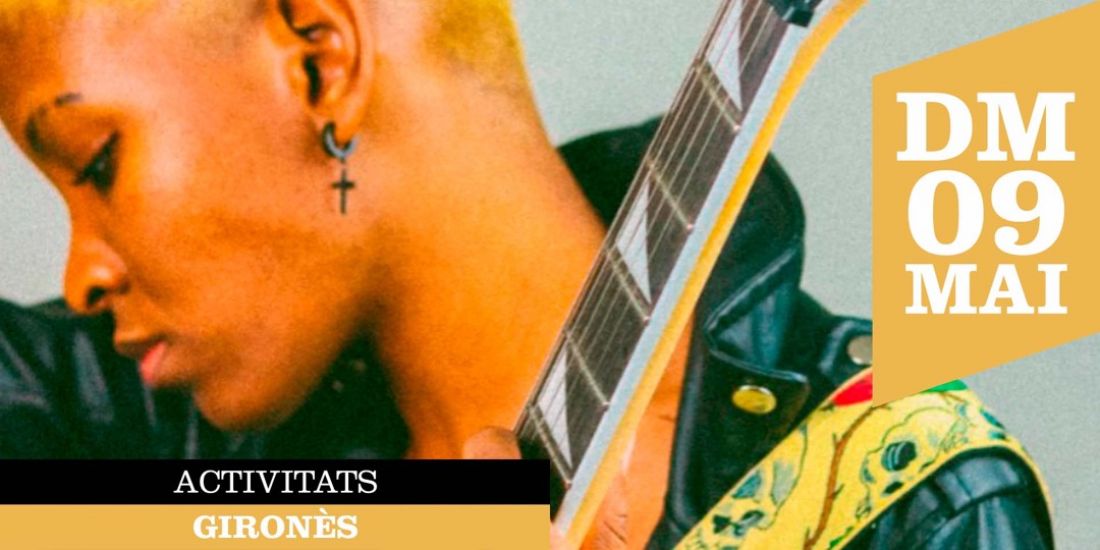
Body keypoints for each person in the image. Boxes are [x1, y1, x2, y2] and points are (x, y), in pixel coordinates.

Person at [0, 1, 1051, 548]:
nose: (81, 272)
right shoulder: (135, 431)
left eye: (97, 163)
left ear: (319, 59)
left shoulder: (898, 491)